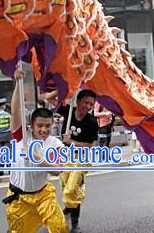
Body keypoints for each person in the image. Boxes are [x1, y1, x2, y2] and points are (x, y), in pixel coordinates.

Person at [3, 68, 68, 233]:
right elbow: (15, 111)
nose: (44, 129)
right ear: (31, 126)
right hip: (19, 199)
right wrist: (18, 83)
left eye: (48, 126)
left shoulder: (55, 144)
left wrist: (35, 157)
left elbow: (57, 171)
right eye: (40, 126)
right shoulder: (21, 136)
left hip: (43, 195)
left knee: (59, 227)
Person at [57, 90, 99, 233]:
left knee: (73, 189)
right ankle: (69, 208)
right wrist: (66, 88)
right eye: (85, 102)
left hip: (81, 158)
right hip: (65, 156)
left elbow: (89, 145)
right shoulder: (68, 111)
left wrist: (72, 142)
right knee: (65, 187)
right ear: (78, 101)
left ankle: (75, 224)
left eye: (91, 104)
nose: (87, 106)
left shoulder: (92, 122)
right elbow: (48, 98)